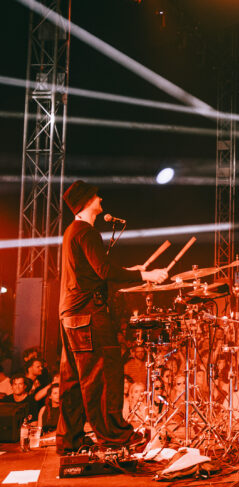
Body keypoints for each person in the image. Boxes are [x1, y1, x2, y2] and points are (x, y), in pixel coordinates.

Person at [57, 180, 168, 454]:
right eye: (96, 196)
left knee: (72, 380)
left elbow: (94, 272)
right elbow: (104, 271)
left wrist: (130, 269)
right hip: (89, 317)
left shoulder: (72, 232)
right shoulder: (86, 232)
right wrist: (145, 275)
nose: (101, 199)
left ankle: (68, 440)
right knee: (102, 377)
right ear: (86, 202)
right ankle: (114, 437)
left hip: (70, 315)